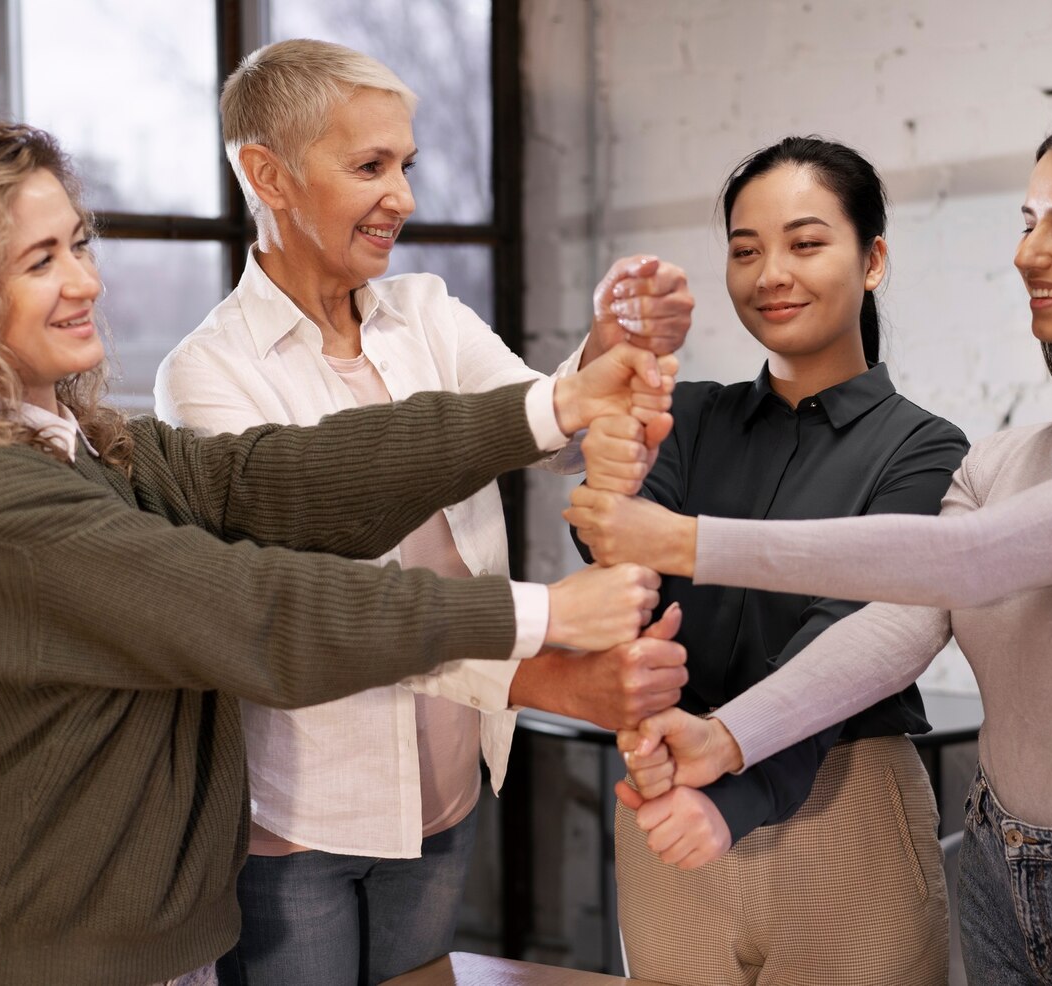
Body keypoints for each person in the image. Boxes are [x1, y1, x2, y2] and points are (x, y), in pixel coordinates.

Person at [0, 119, 674, 986]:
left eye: (77, 245)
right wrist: (543, 613)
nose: (86, 280)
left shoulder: (81, 448)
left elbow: (274, 478)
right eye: (40, 261)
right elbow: (249, 608)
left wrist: (555, 406)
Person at [573, 107, 1052, 985]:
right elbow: (899, 625)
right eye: (1028, 225)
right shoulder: (1006, 457)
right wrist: (726, 739)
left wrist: (689, 541)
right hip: (998, 866)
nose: (1030, 254)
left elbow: (973, 560)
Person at [153, 39, 694, 986]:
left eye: (407, 165)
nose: (401, 195)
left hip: (448, 788)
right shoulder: (204, 374)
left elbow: (542, 424)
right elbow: (317, 595)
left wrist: (602, 356)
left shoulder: (427, 312)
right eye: (370, 166)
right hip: (304, 814)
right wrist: (548, 655)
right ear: (268, 175)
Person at [569, 136, 967, 985]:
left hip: (842, 814)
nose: (770, 275)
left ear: (873, 260)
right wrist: (610, 453)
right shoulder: (687, 417)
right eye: (745, 251)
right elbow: (618, 569)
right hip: (669, 811)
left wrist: (733, 787)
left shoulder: (926, 450)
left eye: (806, 243)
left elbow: (849, 637)